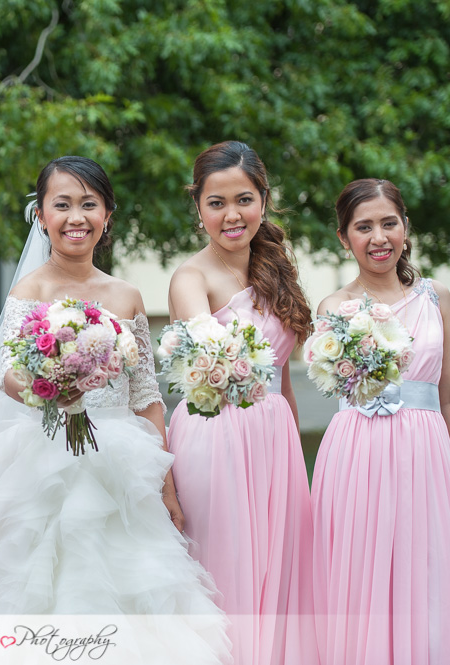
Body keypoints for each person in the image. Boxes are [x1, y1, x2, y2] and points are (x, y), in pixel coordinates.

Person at [0, 156, 230, 664]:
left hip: (121, 466)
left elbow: (145, 397)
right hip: (37, 459)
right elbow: (7, 375)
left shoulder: (125, 296)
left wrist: (165, 487)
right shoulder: (30, 290)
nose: (75, 217)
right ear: (41, 215)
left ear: (108, 215)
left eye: (89, 204)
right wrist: (53, 385)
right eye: (62, 205)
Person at [310, 178, 450, 664]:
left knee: (426, 577)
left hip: (425, 455)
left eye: (389, 223)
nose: (379, 237)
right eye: (363, 227)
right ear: (344, 238)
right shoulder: (333, 309)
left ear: (406, 228)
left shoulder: (437, 297)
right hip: (357, 454)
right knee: (361, 576)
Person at [165, 141, 318, 665]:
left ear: (264, 200)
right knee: (226, 567)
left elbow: (284, 381)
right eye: (217, 202)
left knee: (280, 568)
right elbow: (203, 353)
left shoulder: (275, 272)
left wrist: (294, 452)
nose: (232, 215)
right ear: (199, 207)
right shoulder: (191, 277)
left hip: (274, 437)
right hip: (217, 432)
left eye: (244, 199)